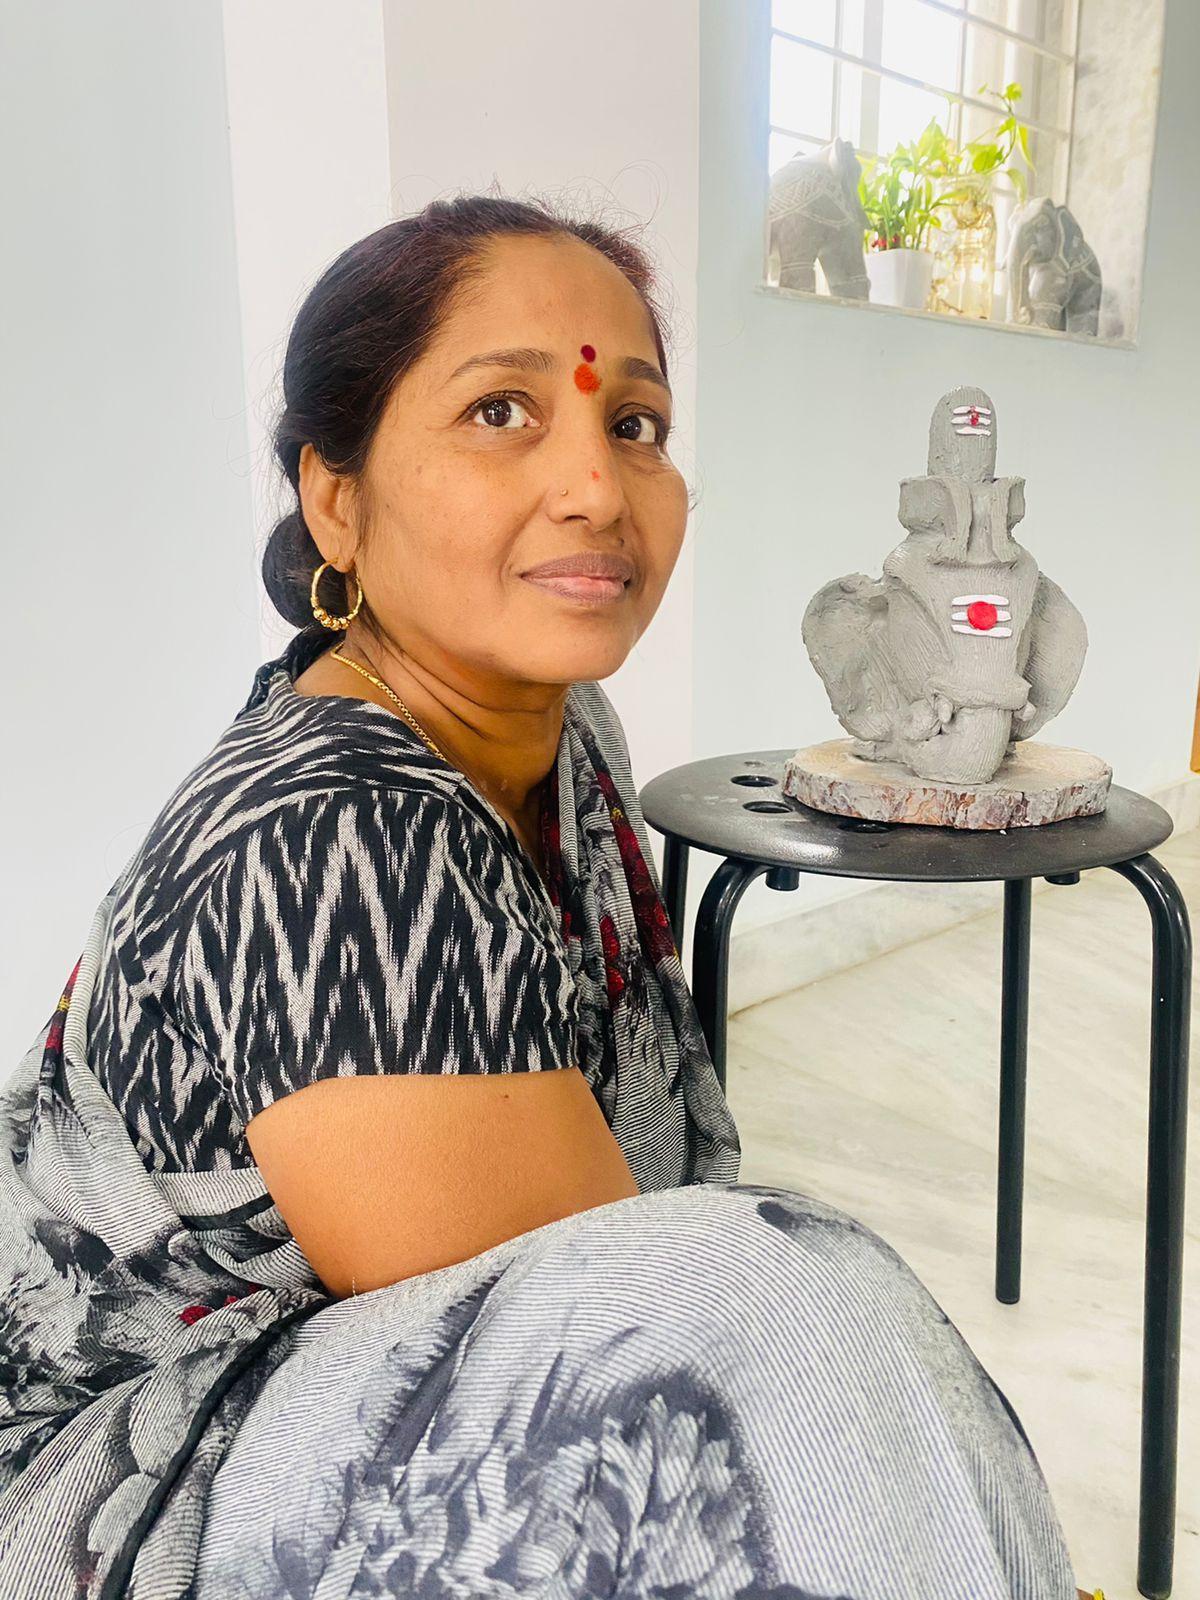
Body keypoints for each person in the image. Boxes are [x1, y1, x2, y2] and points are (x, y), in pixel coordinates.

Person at [0, 193, 1086, 1599]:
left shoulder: (569, 744)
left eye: (633, 424)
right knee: (783, 1303)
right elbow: (621, 1377)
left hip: (366, 1447)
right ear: (338, 496)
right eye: (501, 413)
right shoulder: (341, 841)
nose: (596, 486)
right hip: (133, 1507)